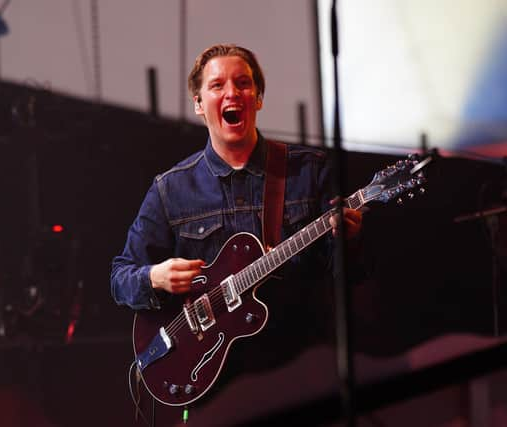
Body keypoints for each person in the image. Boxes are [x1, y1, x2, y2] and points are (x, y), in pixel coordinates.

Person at [110, 43, 362, 401]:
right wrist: (155, 277)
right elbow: (120, 278)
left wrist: (347, 241)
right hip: (215, 383)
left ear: (258, 98)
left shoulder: (308, 170)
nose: (232, 92)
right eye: (217, 85)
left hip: (302, 367)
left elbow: (349, 278)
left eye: (243, 84)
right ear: (199, 104)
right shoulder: (171, 189)